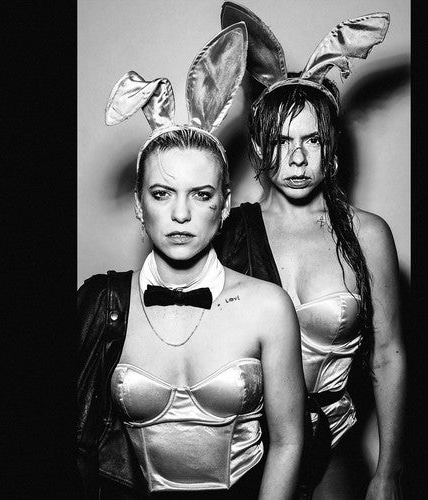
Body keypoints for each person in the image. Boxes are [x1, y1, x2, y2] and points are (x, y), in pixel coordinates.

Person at [77, 22, 304, 499]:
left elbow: (288, 442)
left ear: (224, 206)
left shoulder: (269, 306)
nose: (180, 214)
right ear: (139, 204)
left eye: (200, 194)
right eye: (162, 193)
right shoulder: (103, 303)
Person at [215, 4, 406, 499]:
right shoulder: (228, 233)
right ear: (260, 148)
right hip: (243, 446)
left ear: (332, 146)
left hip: (334, 441)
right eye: (282, 140)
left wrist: (388, 471)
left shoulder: (367, 235)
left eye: (312, 139)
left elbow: (387, 355)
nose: (298, 158)